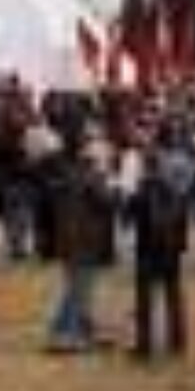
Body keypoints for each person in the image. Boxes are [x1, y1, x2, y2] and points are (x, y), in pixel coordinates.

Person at [131, 127, 195, 361]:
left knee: (145, 297)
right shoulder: (176, 192)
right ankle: (178, 340)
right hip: (171, 249)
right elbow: (182, 221)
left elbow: (130, 218)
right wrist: (181, 245)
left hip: (147, 248)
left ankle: (144, 344)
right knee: (173, 294)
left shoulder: (142, 190)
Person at [46, 142, 113, 352]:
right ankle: (68, 336)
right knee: (80, 290)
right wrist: (112, 185)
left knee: (75, 289)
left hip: (68, 242)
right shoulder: (92, 179)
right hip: (84, 243)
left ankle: (75, 330)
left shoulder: (70, 177)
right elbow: (107, 203)